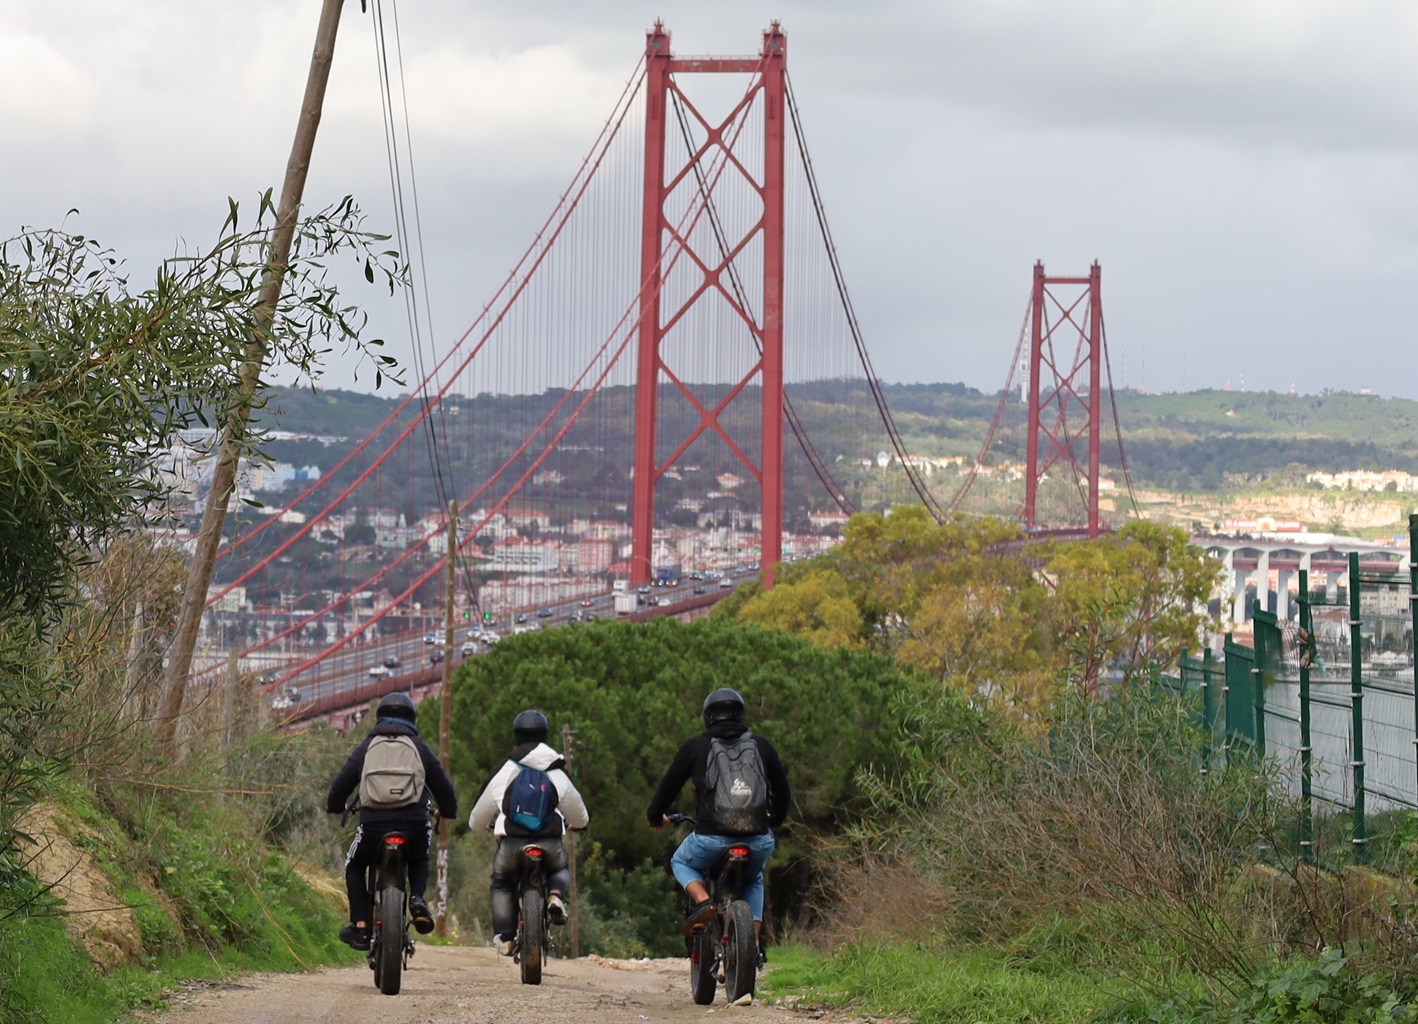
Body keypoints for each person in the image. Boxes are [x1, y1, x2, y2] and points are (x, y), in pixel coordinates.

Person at [647, 687, 790, 953]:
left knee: (679, 860)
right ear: (740, 714)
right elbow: (783, 791)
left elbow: (667, 788)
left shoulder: (696, 746)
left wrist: (655, 816)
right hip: (756, 840)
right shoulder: (761, 745)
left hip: (710, 839)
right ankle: (753, 943)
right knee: (753, 878)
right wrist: (774, 821)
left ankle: (702, 901)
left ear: (707, 716)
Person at [325, 692, 458, 950]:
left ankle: (361, 925)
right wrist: (448, 811)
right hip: (414, 823)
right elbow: (443, 787)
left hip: (373, 824)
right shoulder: (418, 747)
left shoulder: (368, 746)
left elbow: (342, 782)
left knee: (353, 865)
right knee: (419, 857)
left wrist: (334, 806)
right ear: (412, 718)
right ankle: (417, 898)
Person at [469, 709, 590, 956]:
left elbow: (476, 818)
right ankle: (555, 896)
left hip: (511, 844)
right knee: (559, 869)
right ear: (544, 736)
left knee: (502, 883)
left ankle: (506, 937)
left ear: (516, 736)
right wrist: (576, 824)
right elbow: (581, 817)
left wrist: (482, 825)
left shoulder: (504, 770)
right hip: (548, 843)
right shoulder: (557, 771)